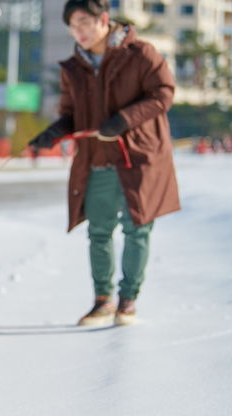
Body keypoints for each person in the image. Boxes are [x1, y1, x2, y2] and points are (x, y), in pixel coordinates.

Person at [28, 0, 180, 327]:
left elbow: (164, 93)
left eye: (84, 22)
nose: (78, 31)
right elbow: (70, 115)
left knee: (137, 228)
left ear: (104, 20)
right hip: (96, 159)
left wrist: (124, 120)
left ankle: (128, 301)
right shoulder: (74, 68)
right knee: (98, 231)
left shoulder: (140, 53)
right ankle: (102, 301)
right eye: (72, 25)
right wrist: (52, 133)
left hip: (138, 157)